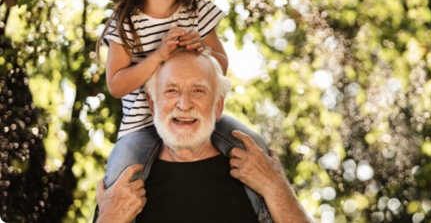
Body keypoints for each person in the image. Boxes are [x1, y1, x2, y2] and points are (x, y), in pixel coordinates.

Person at [97, 0, 268, 219]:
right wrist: (158, 56)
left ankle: (268, 216)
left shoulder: (199, 11)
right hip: (141, 127)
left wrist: (202, 49)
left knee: (252, 143)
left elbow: (222, 64)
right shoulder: (124, 21)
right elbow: (117, 84)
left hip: (200, 118)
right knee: (121, 170)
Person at [95, 49, 312, 223]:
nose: (184, 104)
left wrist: (275, 187)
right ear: (152, 104)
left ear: (219, 105)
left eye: (198, 90)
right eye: (171, 90)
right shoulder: (124, 185)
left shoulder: (255, 167)